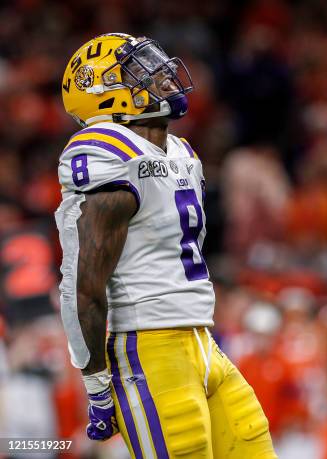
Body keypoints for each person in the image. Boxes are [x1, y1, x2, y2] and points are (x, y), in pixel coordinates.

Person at [55, 33, 277, 458]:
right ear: (104, 94)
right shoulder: (109, 154)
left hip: (203, 340)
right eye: (138, 71)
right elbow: (83, 284)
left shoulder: (178, 151)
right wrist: (97, 386)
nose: (161, 75)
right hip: (149, 349)